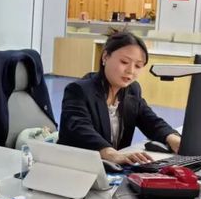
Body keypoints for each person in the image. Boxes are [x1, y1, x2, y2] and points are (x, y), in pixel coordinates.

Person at [58, 31, 180, 165]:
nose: (131, 70)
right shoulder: (78, 90)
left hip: (111, 169)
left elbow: (150, 121)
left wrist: (172, 138)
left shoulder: (132, 90)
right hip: (76, 166)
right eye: (124, 62)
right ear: (105, 57)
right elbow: (80, 129)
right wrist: (110, 154)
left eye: (138, 66)